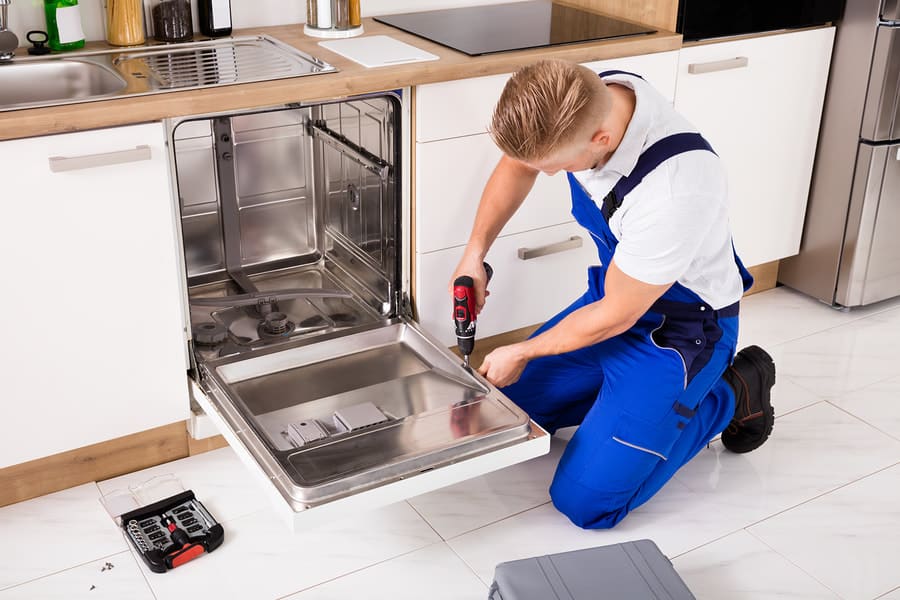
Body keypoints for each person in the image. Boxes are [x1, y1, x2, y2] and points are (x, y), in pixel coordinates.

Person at [449, 59, 776, 530]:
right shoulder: (582, 96)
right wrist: (473, 255)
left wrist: (524, 349)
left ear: (601, 141)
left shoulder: (676, 188)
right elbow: (520, 163)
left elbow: (617, 315)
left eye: (556, 167)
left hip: (681, 334)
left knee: (585, 504)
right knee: (502, 414)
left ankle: (732, 391)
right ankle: (625, 407)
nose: (547, 174)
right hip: (615, 296)